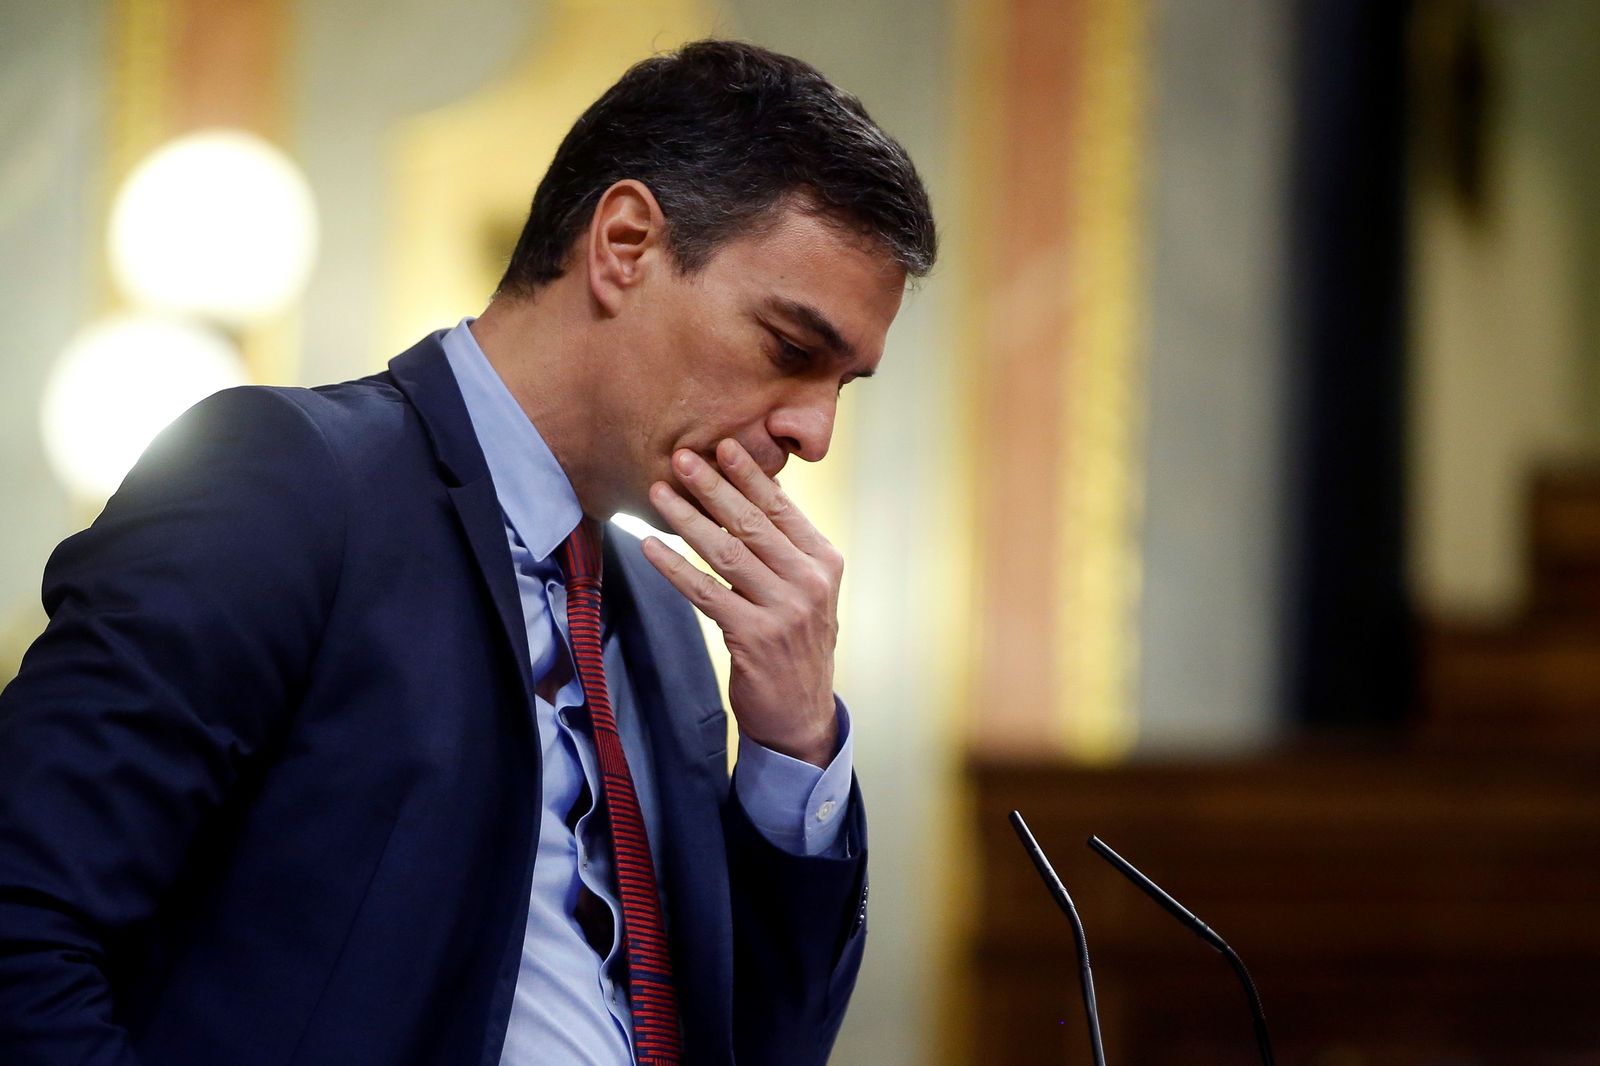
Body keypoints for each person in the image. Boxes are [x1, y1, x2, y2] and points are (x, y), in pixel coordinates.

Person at [0, 38, 936, 1066]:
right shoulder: (287, 484)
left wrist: (794, 750)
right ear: (623, 244)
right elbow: (23, 926)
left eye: (843, 384)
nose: (814, 432)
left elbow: (749, 1046)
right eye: (792, 350)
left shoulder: (668, 626)